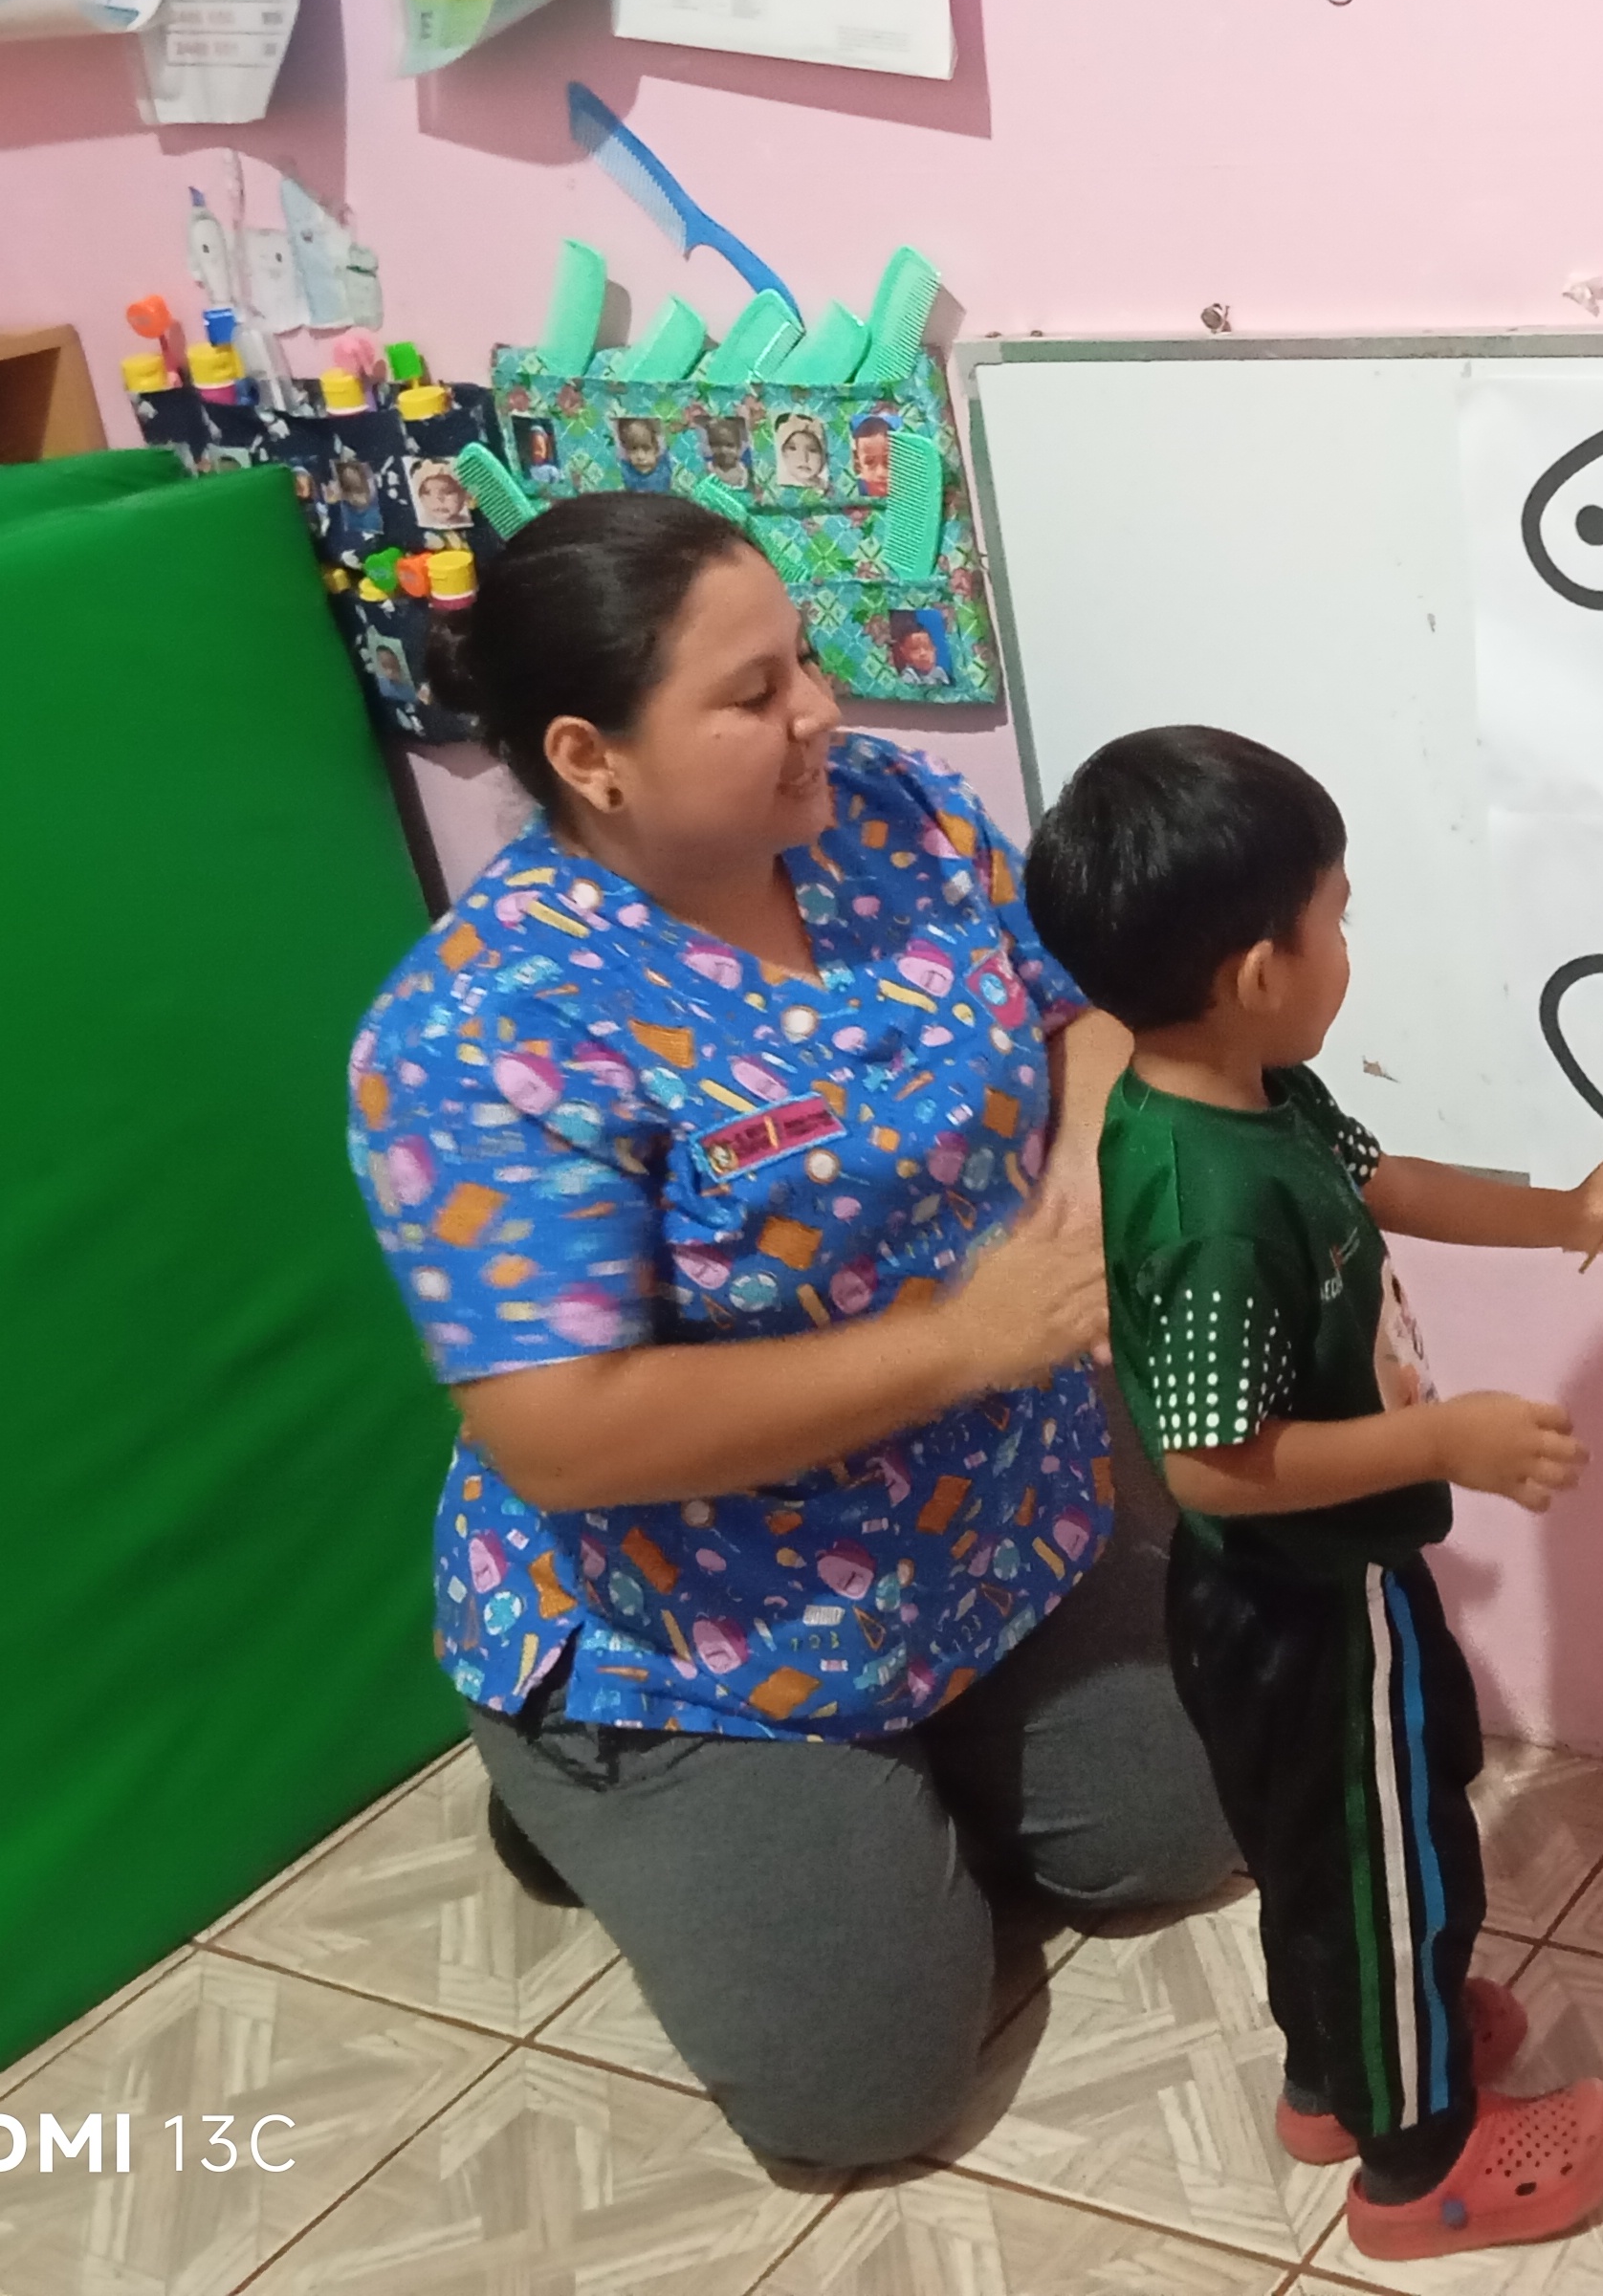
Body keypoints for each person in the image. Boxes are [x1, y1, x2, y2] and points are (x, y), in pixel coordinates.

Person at [344, 493, 1233, 2171]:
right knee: (867, 2101)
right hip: (697, 1631)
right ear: (591, 759)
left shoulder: (892, 812)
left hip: (996, 1526)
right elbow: (560, 1433)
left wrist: (1081, 1193)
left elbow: (1084, 1012)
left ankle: (901, 1781)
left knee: (1185, 1839)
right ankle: (575, 1787)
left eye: (806, 659)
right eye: (754, 694)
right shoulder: (478, 1034)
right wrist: (965, 1342)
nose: (820, 708)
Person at [1024, 726, 1603, 2260]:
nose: (1349, 946)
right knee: (1385, 1872)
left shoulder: (1249, 1094)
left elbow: (1385, 1181)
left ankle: (1344, 2072)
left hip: (1326, 1581)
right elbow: (1210, 1463)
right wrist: (1446, 1444)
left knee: (1354, 1848)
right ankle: (1421, 2161)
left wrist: (1561, 1211)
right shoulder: (1211, 1199)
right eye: (1340, 917)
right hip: (1302, 1601)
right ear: (1262, 970)